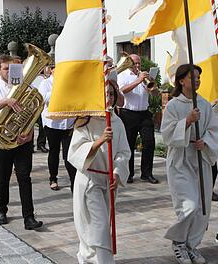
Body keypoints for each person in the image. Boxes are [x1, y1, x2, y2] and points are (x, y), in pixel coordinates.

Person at [161, 64, 218, 264]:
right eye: (192, 77)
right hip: (181, 161)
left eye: (198, 77)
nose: (197, 80)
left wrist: (207, 142)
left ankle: (191, 245)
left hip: (201, 159)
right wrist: (187, 121)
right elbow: (167, 134)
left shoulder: (204, 104)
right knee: (189, 205)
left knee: (202, 208)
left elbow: (214, 130)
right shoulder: (174, 106)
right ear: (181, 80)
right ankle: (178, 242)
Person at [68, 84, 131, 264]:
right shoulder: (86, 120)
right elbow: (74, 152)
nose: (109, 98)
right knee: (99, 226)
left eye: (112, 94)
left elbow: (124, 152)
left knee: (98, 227)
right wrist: (99, 141)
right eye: (105, 94)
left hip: (108, 180)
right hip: (89, 180)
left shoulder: (117, 121)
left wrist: (117, 173)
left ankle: (88, 259)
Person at [0, 54, 43, 230]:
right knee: (2, 177)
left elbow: (33, 113)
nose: (9, 72)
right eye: (6, 68)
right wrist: (6, 101)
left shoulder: (26, 88)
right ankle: (1, 210)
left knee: (25, 177)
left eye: (12, 68)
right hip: (1, 140)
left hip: (22, 140)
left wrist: (29, 133)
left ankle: (29, 217)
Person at [118, 54, 159, 184]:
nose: (137, 66)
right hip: (128, 113)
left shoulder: (144, 76)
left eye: (139, 63)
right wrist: (138, 81)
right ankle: (128, 173)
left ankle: (146, 173)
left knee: (149, 142)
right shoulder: (123, 75)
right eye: (134, 63)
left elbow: (154, 94)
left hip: (144, 113)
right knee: (129, 144)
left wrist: (153, 88)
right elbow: (122, 90)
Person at [39, 64, 76, 191]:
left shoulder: (70, 82)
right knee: (54, 151)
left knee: (69, 154)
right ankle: (53, 177)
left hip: (69, 122)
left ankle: (74, 181)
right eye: (57, 69)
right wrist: (59, 87)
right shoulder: (46, 83)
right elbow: (43, 99)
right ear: (52, 70)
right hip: (52, 123)